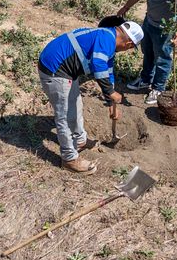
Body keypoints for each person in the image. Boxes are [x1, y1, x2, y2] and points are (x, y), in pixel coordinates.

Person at [38, 21, 144, 174]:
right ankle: (69, 159)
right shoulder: (107, 39)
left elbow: (108, 72)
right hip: (55, 69)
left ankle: (80, 140)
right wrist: (110, 92)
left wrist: (110, 102)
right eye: (131, 48)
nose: (128, 50)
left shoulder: (109, 39)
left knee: (76, 106)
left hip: (67, 71)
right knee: (66, 116)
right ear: (128, 43)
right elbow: (98, 65)